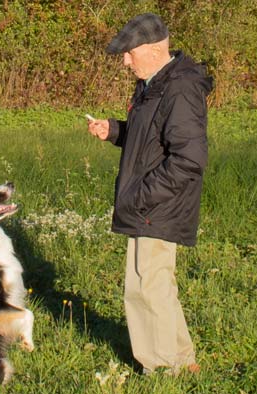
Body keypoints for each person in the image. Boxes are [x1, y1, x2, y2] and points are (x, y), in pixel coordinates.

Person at [87, 13, 213, 375]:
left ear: (155, 50)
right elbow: (149, 140)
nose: (125, 61)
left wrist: (142, 195)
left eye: (130, 53)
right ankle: (181, 362)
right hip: (149, 201)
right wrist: (114, 131)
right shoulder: (154, 84)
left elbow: (189, 159)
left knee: (145, 288)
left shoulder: (180, 89)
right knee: (153, 284)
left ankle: (162, 370)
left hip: (158, 204)